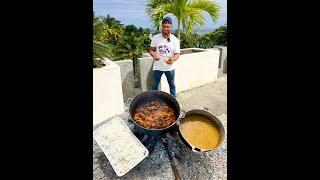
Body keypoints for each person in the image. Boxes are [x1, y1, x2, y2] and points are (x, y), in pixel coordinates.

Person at [149, 17, 180, 97]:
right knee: (154, 85)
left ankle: (173, 101)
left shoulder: (175, 40)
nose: (166, 28)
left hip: (170, 67)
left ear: (171, 27)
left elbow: (177, 54)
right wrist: (154, 55)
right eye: (164, 26)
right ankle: (153, 99)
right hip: (157, 67)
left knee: (172, 85)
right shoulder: (156, 37)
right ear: (161, 27)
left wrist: (173, 59)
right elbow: (151, 50)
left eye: (168, 27)